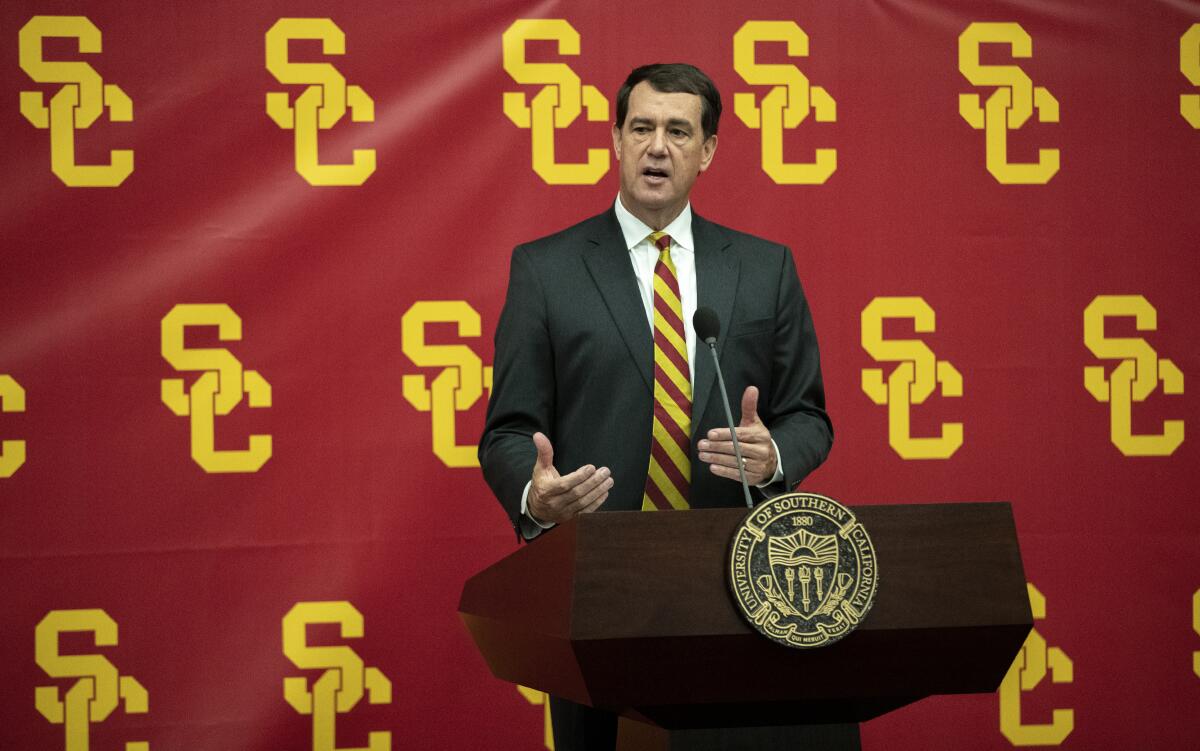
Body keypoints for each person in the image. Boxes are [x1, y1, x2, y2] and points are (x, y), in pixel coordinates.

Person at [479, 63, 833, 751]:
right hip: (593, 586)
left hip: (737, 586)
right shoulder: (546, 270)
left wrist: (775, 456)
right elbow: (510, 428)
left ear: (708, 151)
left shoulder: (766, 269)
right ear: (615, 140)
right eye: (641, 127)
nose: (657, 146)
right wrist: (536, 494)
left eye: (678, 130)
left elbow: (808, 415)